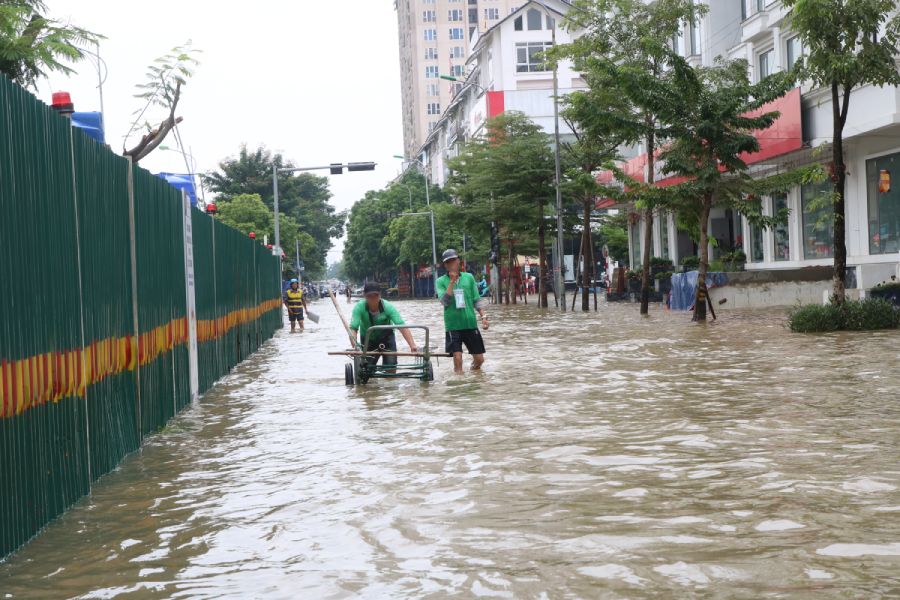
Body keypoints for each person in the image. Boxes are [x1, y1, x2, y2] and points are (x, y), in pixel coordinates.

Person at [435, 249, 488, 374]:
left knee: (479, 360)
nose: (451, 263)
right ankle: (459, 384)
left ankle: (473, 374)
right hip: (453, 326)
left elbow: (476, 300)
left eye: (453, 260)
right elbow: (444, 302)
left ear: (458, 261)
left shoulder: (468, 278)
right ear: (445, 265)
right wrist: (452, 282)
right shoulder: (441, 281)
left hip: (470, 324)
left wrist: (484, 317)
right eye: (448, 262)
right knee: (458, 358)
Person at [349, 282, 418, 368]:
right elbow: (353, 328)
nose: (373, 299)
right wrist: (355, 346)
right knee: (367, 368)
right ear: (365, 296)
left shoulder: (388, 307)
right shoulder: (359, 307)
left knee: (391, 366)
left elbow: (401, 326)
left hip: (387, 338)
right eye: (369, 296)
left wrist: (412, 345)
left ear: (380, 296)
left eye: (375, 296)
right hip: (368, 339)